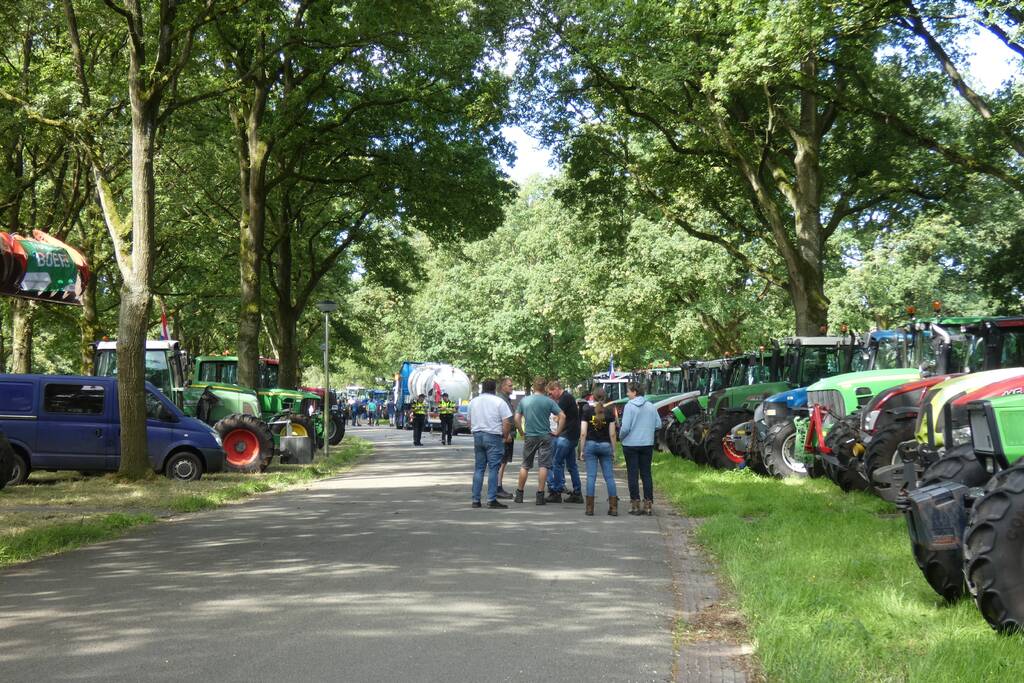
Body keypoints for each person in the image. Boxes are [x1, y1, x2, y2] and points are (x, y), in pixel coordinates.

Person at [514, 377, 564, 505]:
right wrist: (558, 432)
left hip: (530, 436)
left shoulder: (525, 401)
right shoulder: (549, 401)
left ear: (533, 387)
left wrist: (521, 431)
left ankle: (519, 494)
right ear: (545, 388)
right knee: (543, 466)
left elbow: (516, 418)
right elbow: (562, 416)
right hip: (545, 436)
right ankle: (540, 496)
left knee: (525, 465)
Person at [468, 379, 513, 508]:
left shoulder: (473, 401)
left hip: (478, 435)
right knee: (494, 468)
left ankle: (476, 500)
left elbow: (469, 421)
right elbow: (506, 422)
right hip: (493, 436)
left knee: (479, 468)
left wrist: (475, 432)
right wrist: (505, 436)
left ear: (482, 388)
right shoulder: (499, 402)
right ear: (495, 388)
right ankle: (491, 499)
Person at [619, 382, 661, 516]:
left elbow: (625, 428)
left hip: (630, 444)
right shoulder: (651, 406)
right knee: (646, 474)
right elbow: (658, 424)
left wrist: (621, 437)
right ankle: (648, 504)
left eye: (628, 391)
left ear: (635, 392)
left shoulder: (629, 406)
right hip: (647, 444)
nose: (627, 394)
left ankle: (635, 504)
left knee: (632, 474)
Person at [579, 388, 619, 516]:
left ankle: (589, 508)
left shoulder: (586, 411)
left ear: (593, 397)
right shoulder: (609, 413)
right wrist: (614, 450)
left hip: (590, 445)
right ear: (605, 397)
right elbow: (612, 434)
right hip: (605, 446)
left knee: (591, 477)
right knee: (609, 477)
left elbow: (583, 433)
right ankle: (613, 508)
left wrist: (581, 450)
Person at [545, 380, 582, 503]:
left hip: (566, 436)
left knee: (556, 463)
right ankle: (577, 493)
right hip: (572, 435)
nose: (550, 396)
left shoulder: (564, 398)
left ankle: (556, 492)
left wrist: (557, 431)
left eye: (551, 393)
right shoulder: (568, 397)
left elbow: (559, 417)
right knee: (571, 465)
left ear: (556, 388)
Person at [495, 378, 516, 499]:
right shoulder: (501, 399)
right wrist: (505, 434)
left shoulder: (506, 399)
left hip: (508, 434)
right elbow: (501, 418)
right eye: (509, 386)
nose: (512, 387)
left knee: (503, 462)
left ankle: (498, 486)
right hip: (505, 435)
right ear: (503, 387)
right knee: (501, 462)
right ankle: (497, 488)